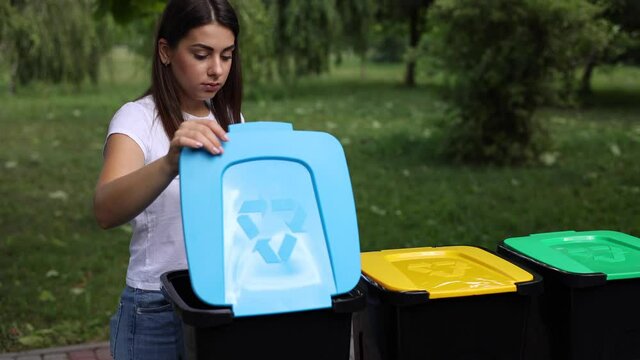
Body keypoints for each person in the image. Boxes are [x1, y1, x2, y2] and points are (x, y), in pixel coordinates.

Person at [93, 0, 243, 359]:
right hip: (154, 308)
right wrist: (170, 162)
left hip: (217, 301)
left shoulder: (231, 117)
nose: (216, 70)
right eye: (201, 54)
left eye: (227, 55)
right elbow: (105, 210)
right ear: (165, 51)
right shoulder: (136, 119)